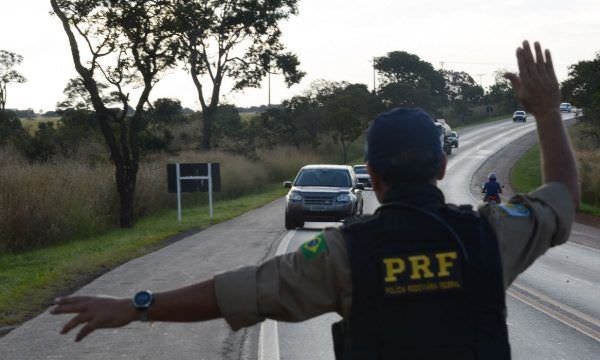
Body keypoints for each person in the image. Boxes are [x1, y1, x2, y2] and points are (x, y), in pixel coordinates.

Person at [52, 41, 579, 359]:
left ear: (369, 174)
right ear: (442, 166)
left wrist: (135, 306)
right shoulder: (491, 234)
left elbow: (236, 293)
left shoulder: (341, 255)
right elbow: (560, 200)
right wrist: (548, 113)